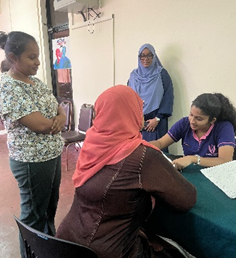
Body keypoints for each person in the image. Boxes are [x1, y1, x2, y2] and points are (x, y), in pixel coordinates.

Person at [56, 85, 197, 258]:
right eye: (139, 108)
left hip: (66, 242)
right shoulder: (142, 156)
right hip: (111, 251)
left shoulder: (91, 142)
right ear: (131, 112)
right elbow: (186, 199)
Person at [0, 31, 66, 257]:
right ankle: (31, 253)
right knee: (33, 216)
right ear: (12, 57)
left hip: (51, 155)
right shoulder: (7, 86)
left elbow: (59, 108)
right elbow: (38, 124)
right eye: (31, 57)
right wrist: (55, 121)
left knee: (49, 210)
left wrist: (58, 119)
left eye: (37, 56)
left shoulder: (35, 82)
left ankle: (48, 250)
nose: (38, 62)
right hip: (31, 162)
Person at [151, 93, 236, 171]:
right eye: (191, 115)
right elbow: (160, 143)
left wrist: (194, 159)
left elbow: (225, 161)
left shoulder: (224, 128)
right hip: (191, 172)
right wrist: (141, 145)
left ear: (212, 120)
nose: (192, 121)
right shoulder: (184, 123)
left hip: (215, 174)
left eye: (199, 119)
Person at [127, 43, 174, 148]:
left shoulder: (162, 74)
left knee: (156, 153)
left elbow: (168, 97)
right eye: (142, 55)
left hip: (156, 121)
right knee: (138, 152)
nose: (146, 58)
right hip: (137, 122)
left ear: (154, 56)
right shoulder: (133, 76)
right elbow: (128, 98)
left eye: (149, 55)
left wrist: (157, 119)